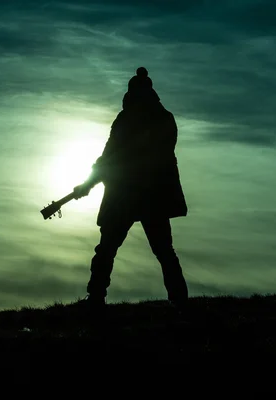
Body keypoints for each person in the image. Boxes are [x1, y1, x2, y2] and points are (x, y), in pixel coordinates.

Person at [73, 66, 189, 309]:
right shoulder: (163, 118)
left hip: (130, 193)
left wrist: (89, 183)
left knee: (111, 249)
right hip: (148, 194)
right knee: (160, 250)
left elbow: (110, 158)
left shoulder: (129, 120)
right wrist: (88, 184)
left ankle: (96, 298)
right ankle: (178, 300)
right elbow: (110, 158)